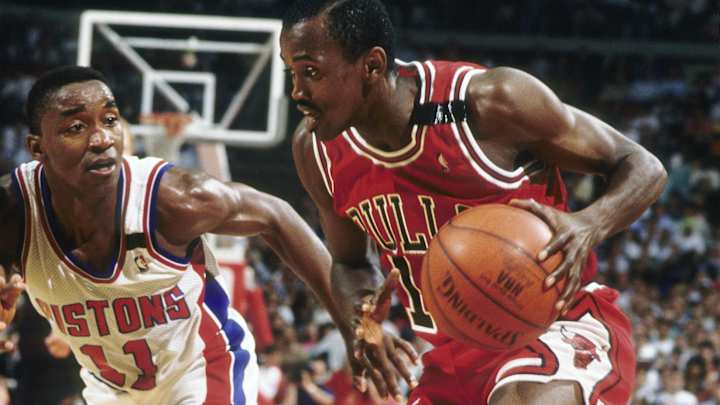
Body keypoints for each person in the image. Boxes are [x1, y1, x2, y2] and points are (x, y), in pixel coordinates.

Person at [281, 0, 667, 404]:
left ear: (372, 66)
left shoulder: (489, 102)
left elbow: (642, 165)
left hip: (555, 325)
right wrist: (362, 318)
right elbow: (350, 263)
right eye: (292, 73)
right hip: (452, 359)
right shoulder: (315, 150)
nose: (297, 92)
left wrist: (589, 223)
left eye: (311, 72)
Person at [0, 65, 396, 405]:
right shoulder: (13, 212)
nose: (102, 138)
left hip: (202, 369)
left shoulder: (173, 200)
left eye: (110, 119)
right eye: (75, 127)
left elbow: (275, 215)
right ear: (37, 147)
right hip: (111, 390)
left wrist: (351, 320)